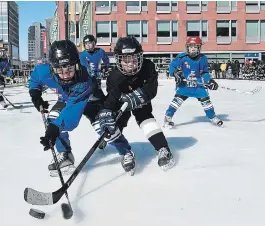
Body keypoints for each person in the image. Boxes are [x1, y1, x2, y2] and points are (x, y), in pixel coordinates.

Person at [28, 40, 135, 176]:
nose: (65, 74)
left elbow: (72, 116)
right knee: (53, 118)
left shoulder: (84, 82)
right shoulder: (45, 71)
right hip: (66, 99)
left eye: (69, 69)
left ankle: (125, 151)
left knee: (104, 126)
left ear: (77, 65)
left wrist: (55, 128)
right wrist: (36, 95)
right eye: (59, 70)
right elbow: (35, 78)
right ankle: (65, 154)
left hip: (91, 100)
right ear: (52, 67)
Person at [103, 36, 176, 172]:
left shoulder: (148, 67)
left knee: (145, 117)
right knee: (117, 121)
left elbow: (151, 89)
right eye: (126, 60)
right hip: (122, 103)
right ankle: (124, 151)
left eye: (134, 59)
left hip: (141, 101)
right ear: (118, 60)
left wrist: (137, 97)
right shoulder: (114, 76)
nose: (130, 63)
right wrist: (107, 112)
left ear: (140, 57)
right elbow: (111, 98)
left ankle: (163, 148)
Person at [164, 36, 222, 128]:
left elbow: (205, 72)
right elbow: (172, 67)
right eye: (191, 47)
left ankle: (212, 116)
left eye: (196, 47)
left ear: (199, 48)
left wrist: (209, 80)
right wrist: (175, 73)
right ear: (187, 47)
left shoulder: (203, 58)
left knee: (206, 100)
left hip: (198, 84)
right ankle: (168, 117)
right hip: (184, 84)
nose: (193, 49)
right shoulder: (181, 57)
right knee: (176, 101)